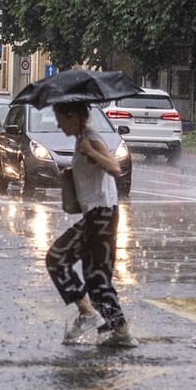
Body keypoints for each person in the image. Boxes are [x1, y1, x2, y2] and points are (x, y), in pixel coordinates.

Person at [46, 101, 138, 347]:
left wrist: (92, 153)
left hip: (101, 216)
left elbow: (115, 168)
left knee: (57, 258)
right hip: (99, 215)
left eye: (60, 118)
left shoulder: (90, 139)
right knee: (95, 276)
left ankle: (88, 314)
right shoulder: (82, 140)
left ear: (73, 116)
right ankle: (122, 332)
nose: (58, 123)